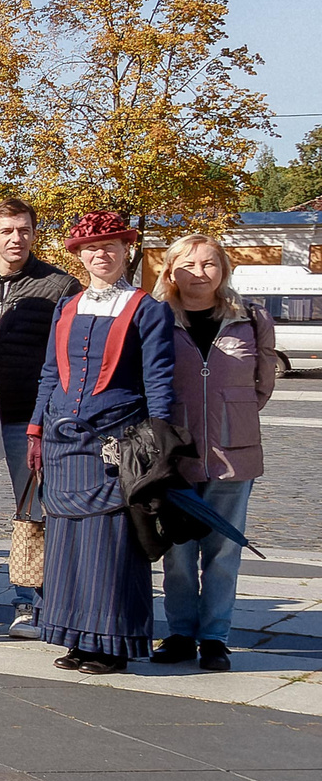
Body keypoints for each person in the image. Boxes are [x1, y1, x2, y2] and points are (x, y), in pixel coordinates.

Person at [31, 210, 179, 674]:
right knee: (67, 545)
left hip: (116, 441)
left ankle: (112, 645)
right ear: (79, 255)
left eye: (112, 246)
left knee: (112, 544)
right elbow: (52, 372)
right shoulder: (67, 306)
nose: (102, 254)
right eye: (93, 248)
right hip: (61, 441)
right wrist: (36, 428)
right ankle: (75, 637)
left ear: (125, 250)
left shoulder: (148, 309)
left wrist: (161, 442)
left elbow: (159, 379)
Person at [151, 233, 272, 673]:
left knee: (223, 550)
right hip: (176, 456)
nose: (198, 274)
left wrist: (229, 417)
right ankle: (181, 632)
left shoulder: (251, 317)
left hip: (233, 455)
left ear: (223, 269)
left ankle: (215, 638)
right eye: (187, 265)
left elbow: (262, 384)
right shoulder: (157, 318)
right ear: (170, 271)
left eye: (209, 264)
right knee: (178, 552)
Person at [0, 198, 78, 639]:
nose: (16, 238)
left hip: (28, 418)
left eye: (24, 230)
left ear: (34, 234)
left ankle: (30, 601)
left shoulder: (59, 286)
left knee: (31, 513)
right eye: (7, 230)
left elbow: (68, 358)